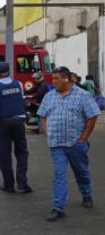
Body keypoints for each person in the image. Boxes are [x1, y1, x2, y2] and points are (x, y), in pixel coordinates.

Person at [37, 66, 101, 222]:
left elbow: (92, 116)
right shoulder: (49, 96)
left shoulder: (83, 96)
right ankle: (58, 207)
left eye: (56, 78)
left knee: (82, 172)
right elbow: (42, 115)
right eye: (52, 78)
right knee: (59, 175)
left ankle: (86, 193)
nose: (53, 82)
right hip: (56, 144)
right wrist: (45, 129)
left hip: (76, 144)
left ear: (66, 79)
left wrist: (84, 137)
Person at [0, 62, 32, 194]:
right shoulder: (18, 84)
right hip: (19, 121)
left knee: (4, 154)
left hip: (4, 123)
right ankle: (22, 183)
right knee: (22, 152)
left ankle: (9, 185)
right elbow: (20, 100)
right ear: (9, 71)